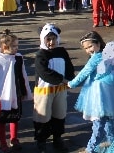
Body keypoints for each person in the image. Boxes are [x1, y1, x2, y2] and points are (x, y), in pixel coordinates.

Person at [67, 31, 114, 153]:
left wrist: (71, 84)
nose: (88, 50)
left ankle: (90, 148)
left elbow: (84, 72)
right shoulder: (107, 55)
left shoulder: (96, 58)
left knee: (98, 121)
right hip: (109, 91)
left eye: (90, 46)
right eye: (85, 48)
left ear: (98, 44)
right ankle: (110, 139)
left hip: (99, 93)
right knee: (107, 117)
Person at [0, 29, 32, 152]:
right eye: (14, 46)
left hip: (15, 92)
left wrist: (24, 91)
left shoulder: (18, 58)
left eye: (17, 45)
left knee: (15, 117)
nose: (17, 48)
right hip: (1, 95)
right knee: (1, 120)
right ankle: (2, 142)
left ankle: (14, 138)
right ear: (5, 46)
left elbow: (22, 75)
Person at [33, 24, 75, 153]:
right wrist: (62, 79)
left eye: (54, 39)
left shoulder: (62, 51)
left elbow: (69, 67)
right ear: (43, 40)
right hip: (44, 91)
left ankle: (57, 138)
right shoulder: (41, 54)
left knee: (59, 114)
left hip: (60, 90)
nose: (51, 42)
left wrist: (70, 78)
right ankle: (41, 141)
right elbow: (44, 72)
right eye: (48, 39)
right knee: (43, 116)